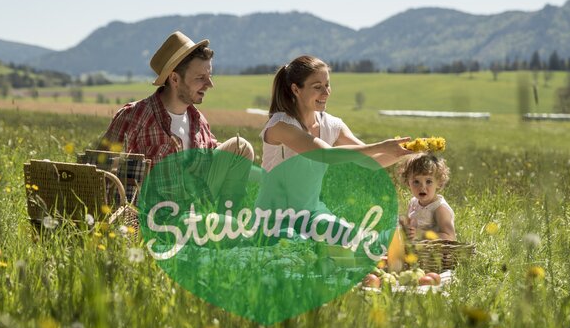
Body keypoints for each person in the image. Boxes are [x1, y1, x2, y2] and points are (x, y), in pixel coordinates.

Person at [98, 31, 253, 206]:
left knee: (241, 147)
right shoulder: (134, 115)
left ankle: (226, 219)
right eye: (201, 78)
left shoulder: (198, 121)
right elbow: (99, 169)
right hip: (155, 216)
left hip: (194, 210)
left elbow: (214, 161)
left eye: (210, 77)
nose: (210, 85)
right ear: (174, 78)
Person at [257, 55, 410, 215]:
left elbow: (372, 161)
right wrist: (381, 146)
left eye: (327, 85)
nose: (326, 92)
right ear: (296, 90)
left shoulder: (332, 125)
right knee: (293, 240)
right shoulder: (281, 125)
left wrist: (409, 149)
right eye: (317, 87)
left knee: (353, 238)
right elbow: (325, 154)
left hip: (312, 214)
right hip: (274, 216)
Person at [400, 153, 456, 241]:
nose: (422, 187)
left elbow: (450, 238)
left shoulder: (439, 208)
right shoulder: (413, 202)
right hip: (415, 250)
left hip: (435, 253)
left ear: (439, 182)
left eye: (429, 181)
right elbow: (410, 225)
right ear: (408, 182)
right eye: (416, 182)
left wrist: (421, 234)